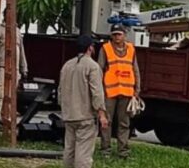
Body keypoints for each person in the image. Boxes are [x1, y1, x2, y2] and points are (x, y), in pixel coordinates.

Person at [58, 34, 108, 168]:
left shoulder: (67, 65)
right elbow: (96, 92)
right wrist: (101, 114)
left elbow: (60, 91)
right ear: (90, 48)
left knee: (69, 151)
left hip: (69, 115)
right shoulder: (92, 66)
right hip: (85, 116)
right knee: (83, 154)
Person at [97, 24, 140, 159]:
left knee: (124, 123)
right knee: (106, 122)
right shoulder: (106, 48)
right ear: (111, 35)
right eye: (114, 34)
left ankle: (123, 151)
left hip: (127, 92)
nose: (117, 37)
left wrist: (137, 90)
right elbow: (99, 70)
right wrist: (100, 90)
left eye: (119, 34)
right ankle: (105, 150)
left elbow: (135, 70)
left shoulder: (131, 49)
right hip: (109, 92)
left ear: (124, 35)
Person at [0, 18, 28, 130]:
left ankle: (7, 119)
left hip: (14, 69)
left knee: (11, 95)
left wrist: (24, 68)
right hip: (2, 67)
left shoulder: (17, 31)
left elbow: (21, 50)